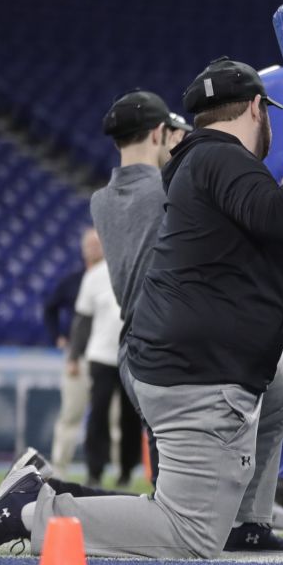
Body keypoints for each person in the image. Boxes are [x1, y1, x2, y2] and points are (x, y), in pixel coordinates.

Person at [0, 58, 283, 558]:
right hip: (195, 371)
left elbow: (276, 256)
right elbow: (277, 214)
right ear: (257, 107)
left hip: (190, 357)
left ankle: (245, 522)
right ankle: (31, 509)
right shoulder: (218, 158)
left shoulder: (209, 162)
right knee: (187, 535)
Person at [88, 90, 193, 486]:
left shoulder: (100, 201)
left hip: (131, 349)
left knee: (164, 469)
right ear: (157, 133)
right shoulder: (171, 189)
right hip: (170, 349)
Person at [67, 231, 142, 488]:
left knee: (130, 419)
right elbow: (83, 318)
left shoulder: (138, 268)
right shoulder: (94, 276)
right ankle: (94, 472)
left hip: (131, 356)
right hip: (100, 355)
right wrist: (74, 355)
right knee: (97, 416)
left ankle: (126, 472)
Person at [47, 228, 103, 476]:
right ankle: (59, 468)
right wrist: (58, 338)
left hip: (107, 357)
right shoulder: (72, 281)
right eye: (89, 245)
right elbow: (49, 308)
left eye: (97, 244)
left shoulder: (113, 278)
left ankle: (107, 471)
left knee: (111, 419)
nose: (93, 249)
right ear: (82, 249)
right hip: (78, 358)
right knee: (70, 414)